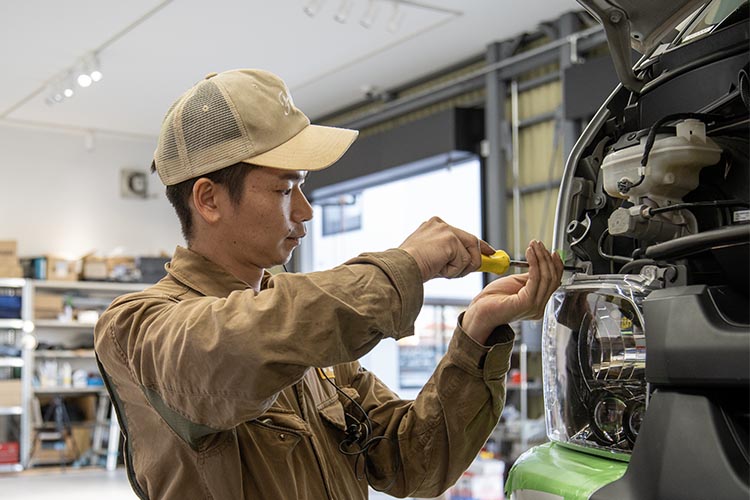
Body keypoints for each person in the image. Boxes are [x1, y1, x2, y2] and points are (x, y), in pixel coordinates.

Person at [94, 68, 563, 500]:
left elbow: (414, 460)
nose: (305, 211)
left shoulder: (317, 354)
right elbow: (241, 344)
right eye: (284, 189)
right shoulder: (136, 328)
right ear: (209, 199)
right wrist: (405, 266)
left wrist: (476, 336)